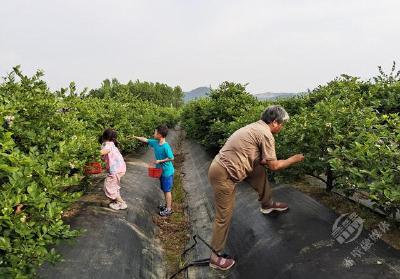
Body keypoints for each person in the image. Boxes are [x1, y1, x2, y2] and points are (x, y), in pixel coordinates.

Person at [208, 105, 305, 271]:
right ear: (274, 122)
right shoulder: (266, 134)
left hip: (226, 166)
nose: (282, 127)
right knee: (224, 215)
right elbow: (274, 166)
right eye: (282, 124)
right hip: (224, 174)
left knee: (258, 171)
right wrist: (293, 159)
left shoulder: (255, 127)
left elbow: (255, 156)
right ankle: (215, 257)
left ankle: (267, 204)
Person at [133, 125, 175, 217]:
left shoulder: (165, 146)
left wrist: (160, 161)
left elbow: (171, 158)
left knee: (167, 190)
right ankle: (167, 206)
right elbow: (145, 140)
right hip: (161, 171)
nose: (153, 134)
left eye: (155, 132)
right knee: (164, 189)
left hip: (167, 171)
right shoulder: (155, 143)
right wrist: (135, 137)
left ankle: (169, 209)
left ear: (159, 135)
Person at [100, 128, 127, 210]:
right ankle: (117, 202)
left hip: (116, 170)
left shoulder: (107, 144)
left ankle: (121, 202)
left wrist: (94, 153)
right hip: (120, 168)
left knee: (108, 186)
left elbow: (104, 151)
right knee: (113, 186)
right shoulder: (112, 144)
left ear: (104, 137)